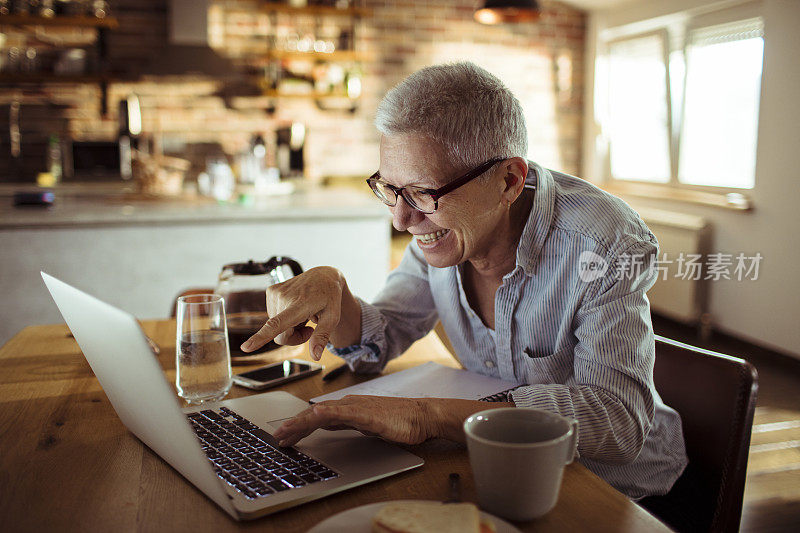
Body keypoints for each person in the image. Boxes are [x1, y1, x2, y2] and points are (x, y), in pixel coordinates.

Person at [241, 62, 688, 499]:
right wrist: (336, 293)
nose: (402, 221)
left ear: (509, 181)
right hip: (498, 466)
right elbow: (384, 336)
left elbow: (617, 423)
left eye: (422, 193)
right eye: (391, 190)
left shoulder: (605, 242)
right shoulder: (445, 232)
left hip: (611, 488)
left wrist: (430, 417)